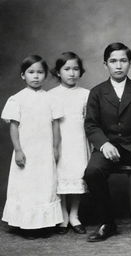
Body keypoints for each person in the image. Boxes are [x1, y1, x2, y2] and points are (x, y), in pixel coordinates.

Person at [84, 42, 131, 248]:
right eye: (113, 61)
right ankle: (107, 223)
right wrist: (103, 144)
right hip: (108, 146)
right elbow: (91, 123)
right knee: (92, 171)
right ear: (105, 64)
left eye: (123, 61)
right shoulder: (97, 92)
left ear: (130, 63)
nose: (118, 66)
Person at [1, 55, 63, 239]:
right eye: (31, 72)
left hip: (44, 152)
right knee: (26, 186)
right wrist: (18, 150)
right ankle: (26, 225)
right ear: (23, 75)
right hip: (26, 150)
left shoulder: (50, 98)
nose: (35, 76)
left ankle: (43, 224)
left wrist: (55, 147)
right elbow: (14, 126)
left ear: (45, 76)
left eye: (40, 72)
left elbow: (55, 125)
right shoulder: (17, 99)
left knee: (44, 185)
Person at [50, 52, 91, 235]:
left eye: (75, 69)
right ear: (58, 72)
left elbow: (90, 120)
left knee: (77, 174)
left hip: (79, 140)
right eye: (66, 69)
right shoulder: (51, 95)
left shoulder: (86, 94)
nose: (71, 73)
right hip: (59, 140)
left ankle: (74, 215)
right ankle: (63, 216)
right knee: (60, 175)